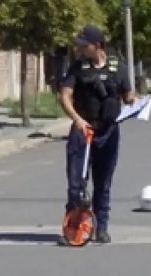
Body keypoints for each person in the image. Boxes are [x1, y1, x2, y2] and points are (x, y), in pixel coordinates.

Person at [57, 25, 135, 245]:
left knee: (104, 182)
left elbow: (128, 94)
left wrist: (132, 101)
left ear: (97, 45)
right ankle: (72, 229)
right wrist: (77, 120)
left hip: (108, 131)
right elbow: (65, 96)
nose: (80, 48)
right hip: (83, 130)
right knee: (76, 182)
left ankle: (102, 227)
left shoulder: (118, 67)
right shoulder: (77, 68)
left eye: (85, 44)